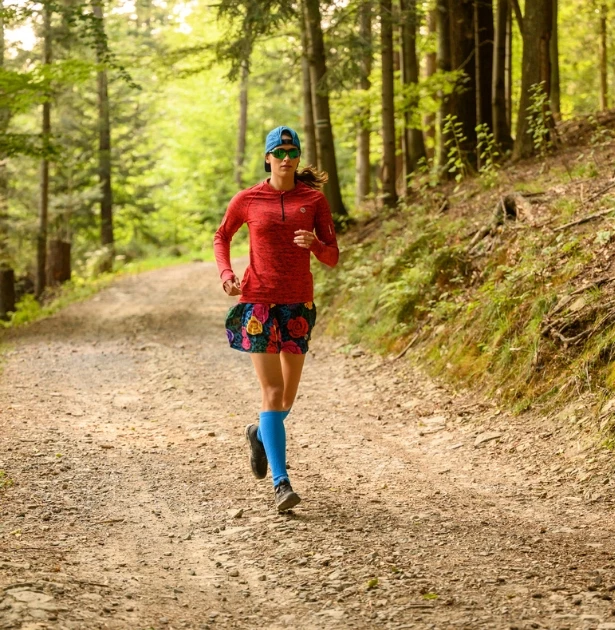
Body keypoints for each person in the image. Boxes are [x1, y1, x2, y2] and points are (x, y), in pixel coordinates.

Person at [213, 126, 339, 511]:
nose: (286, 157)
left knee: (285, 398)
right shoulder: (248, 199)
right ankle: (282, 484)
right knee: (271, 393)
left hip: (297, 304)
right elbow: (222, 236)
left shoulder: (313, 200)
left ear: (298, 157)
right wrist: (227, 275)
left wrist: (315, 244)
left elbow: (332, 256)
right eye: (279, 151)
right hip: (258, 305)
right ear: (267, 157)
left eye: (292, 151)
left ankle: (259, 432)